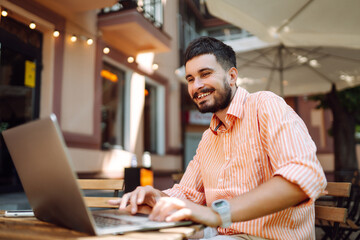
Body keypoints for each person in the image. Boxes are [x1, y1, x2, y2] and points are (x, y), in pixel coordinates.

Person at [110, 36, 327, 239]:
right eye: (190, 79)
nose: (196, 86)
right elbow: (188, 193)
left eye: (205, 74)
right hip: (221, 234)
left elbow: (306, 175)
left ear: (232, 76)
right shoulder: (208, 138)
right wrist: (156, 197)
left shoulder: (265, 105)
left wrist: (217, 214)